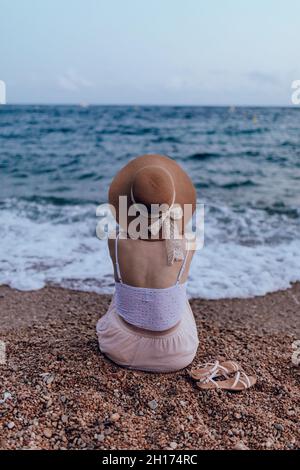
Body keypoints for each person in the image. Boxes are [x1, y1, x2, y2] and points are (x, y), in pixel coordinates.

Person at [96, 154, 199, 372]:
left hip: (119, 348)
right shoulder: (187, 243)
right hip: (176, 354)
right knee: (179, 295)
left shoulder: (115, 241)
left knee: (121, 290)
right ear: (173, 202)